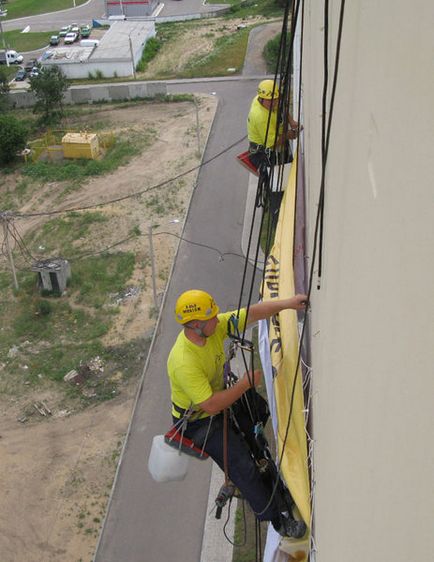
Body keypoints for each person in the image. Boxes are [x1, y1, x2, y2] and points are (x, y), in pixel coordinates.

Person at [167, 289, 308, 538]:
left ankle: (279, 493)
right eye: (212, 317)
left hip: (217, 400)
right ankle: (277, 520)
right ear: (196, 325)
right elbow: (210, 405)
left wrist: (288, 304)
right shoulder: (183, 361)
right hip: (199, 422)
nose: (218, 319)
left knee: (257, 421)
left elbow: (251, 313)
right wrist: (243, 385)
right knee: (243, 467)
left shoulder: (214, 328)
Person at [247, 79, 301, 220]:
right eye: (270, 101)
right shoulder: (260, 116)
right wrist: (290, 134)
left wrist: (291, 122)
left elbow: (281, 105)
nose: (274, 104)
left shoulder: (267, 98)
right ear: (262, 99)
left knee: (288, 172)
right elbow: (273, 143)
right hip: (264, 153)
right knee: (277, 185)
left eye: (276, 100)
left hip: (273, 146)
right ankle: (278, 217)